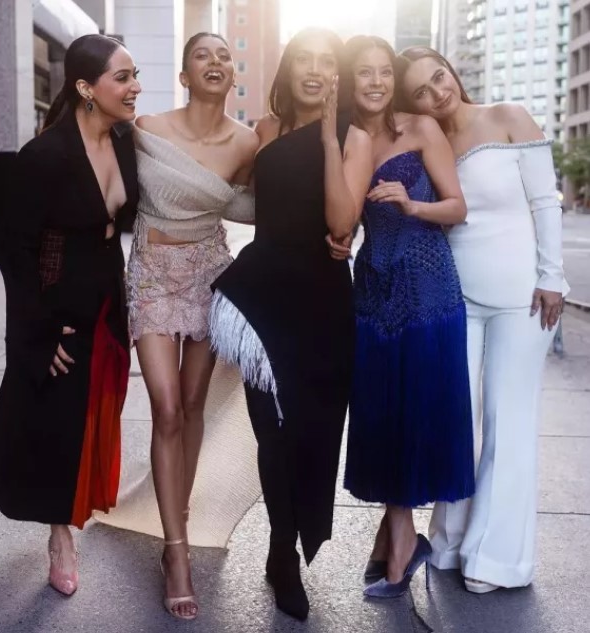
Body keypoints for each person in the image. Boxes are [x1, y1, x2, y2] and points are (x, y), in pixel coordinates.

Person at [209, 28, 374, 620]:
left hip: (324, 304)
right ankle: (282, 553)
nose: (314, 69)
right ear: (288, 68)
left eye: (326, 61)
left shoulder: (355, 136)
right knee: (272, 436)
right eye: (304, 58)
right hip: (263, 300)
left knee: (313, 431)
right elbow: (241, 196)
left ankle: (290, 544)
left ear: (336, 75)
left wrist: (328, 138)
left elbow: (342, 223)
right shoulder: (264, 130)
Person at [395, 47, 568, 593]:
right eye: (421, 91)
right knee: (455, 418)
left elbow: (546, 202)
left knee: (507, 420)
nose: (437, 92)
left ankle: (496, 558)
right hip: (454, 297)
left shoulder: (508, 116)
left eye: (438, 77)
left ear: (452, 71)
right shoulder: (428, 142)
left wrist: (553, 276)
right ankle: (450, 541)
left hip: (522, 296)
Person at [0, 34, 141, 596]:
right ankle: (60, 535)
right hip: (59, 309)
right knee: (58, 422)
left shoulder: (126, 143)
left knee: (93, 415)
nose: (135, 87)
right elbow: (14, 251)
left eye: (135, 75)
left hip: (108, 303)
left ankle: (72, 513)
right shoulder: (44, 156)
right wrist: (39, 329)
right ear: (86, 88)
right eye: (123, 77)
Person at [113, 32, 258, 620]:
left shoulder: (247, 142)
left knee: (194, 404)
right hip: (151, 272)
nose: (215, 62)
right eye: (203, 55)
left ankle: (178, 527)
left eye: (224, 56)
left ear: (232, 76)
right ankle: (176, 549)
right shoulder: (147, 128)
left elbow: (265, 202)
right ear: (184, 76)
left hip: (208, 272)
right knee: (167, 407)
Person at [328, 35, 475, 599]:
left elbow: (457, 207)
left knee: (417, 410)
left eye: (384, 72)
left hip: (429, 285)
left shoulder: (421, 127)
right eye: (364, 72)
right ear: (350, 80)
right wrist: (337, 239)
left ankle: (400, 547)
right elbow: (338, 214)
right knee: (381, 414)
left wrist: (413, 204)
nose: (376, 82)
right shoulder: (346, 140)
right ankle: (398, 538)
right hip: (373, 286)